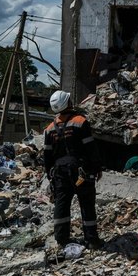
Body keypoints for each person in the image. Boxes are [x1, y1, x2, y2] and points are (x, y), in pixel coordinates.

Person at [43, 90, 103, 249]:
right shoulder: (80, 121)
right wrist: (96, 167)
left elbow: (47, 156)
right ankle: (91, 240)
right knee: (87, 204)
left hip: (60, 173)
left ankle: (61, 239)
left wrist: (50, 176)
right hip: (82, 171)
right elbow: (91, 148)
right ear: (67, 103)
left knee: (61, 204)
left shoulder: (49, 128)